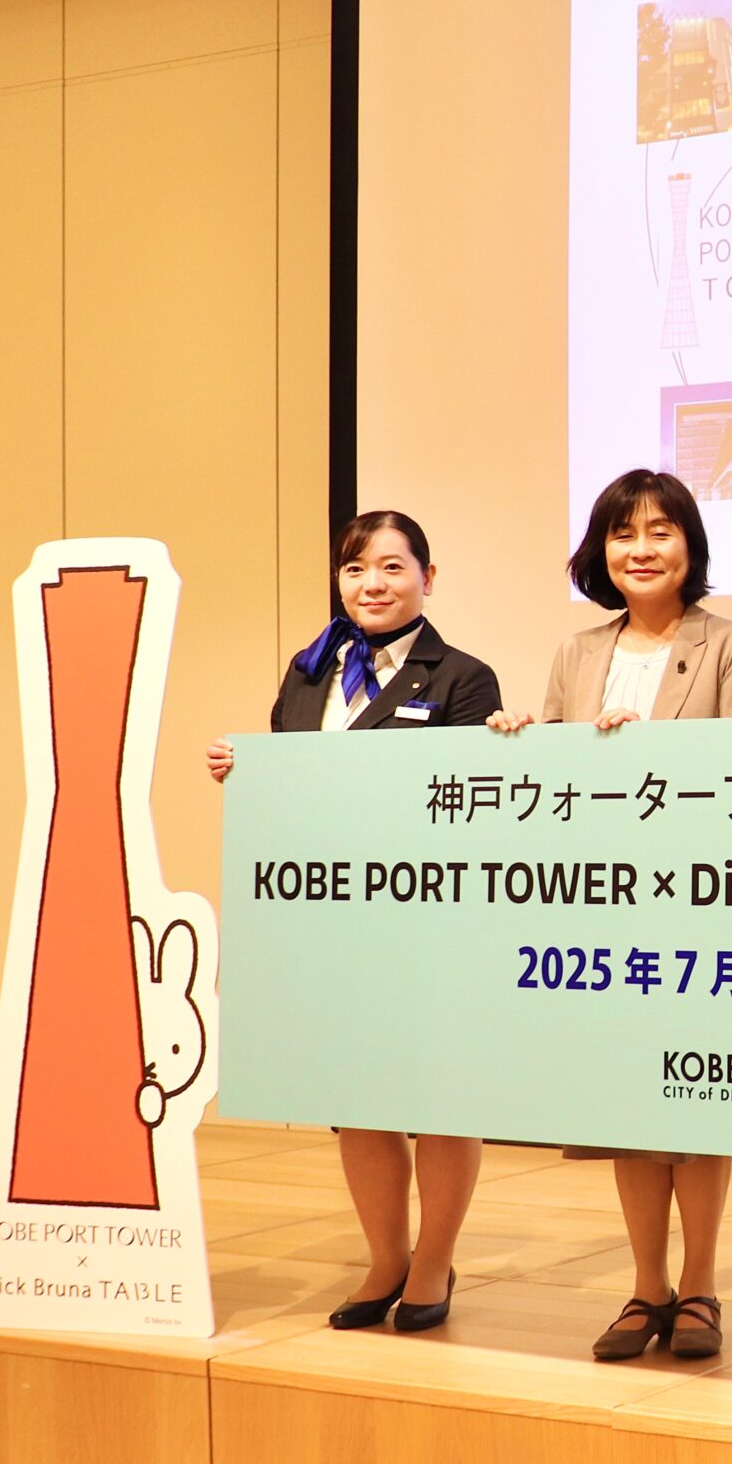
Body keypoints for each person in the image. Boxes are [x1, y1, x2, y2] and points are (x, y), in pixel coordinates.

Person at [487, 469, 732, 1361]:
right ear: (599, 552)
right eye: (622, 534)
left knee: (698, 1100)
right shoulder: (577, 653)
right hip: (607, 913)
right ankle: (647, 1287)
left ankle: (702, 1286)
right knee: (629, 1104)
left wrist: (647, 754)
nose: (641, 550)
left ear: (690, 545)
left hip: (698, 909)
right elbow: (559, 790)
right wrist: (527, 743)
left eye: (659, 531)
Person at [207, 510, 503, 1334]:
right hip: (330, 924)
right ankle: (385, 1257)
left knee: (441, 1096)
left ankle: (434, 1261)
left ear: (428, 579)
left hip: (430, 925)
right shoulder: (310, 672)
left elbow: (471, 807)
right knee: (357, 1094)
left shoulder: (464, 677)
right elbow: (290, 790)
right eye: (354, 569)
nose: (372, 584)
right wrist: (243, 770)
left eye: (392, 567)